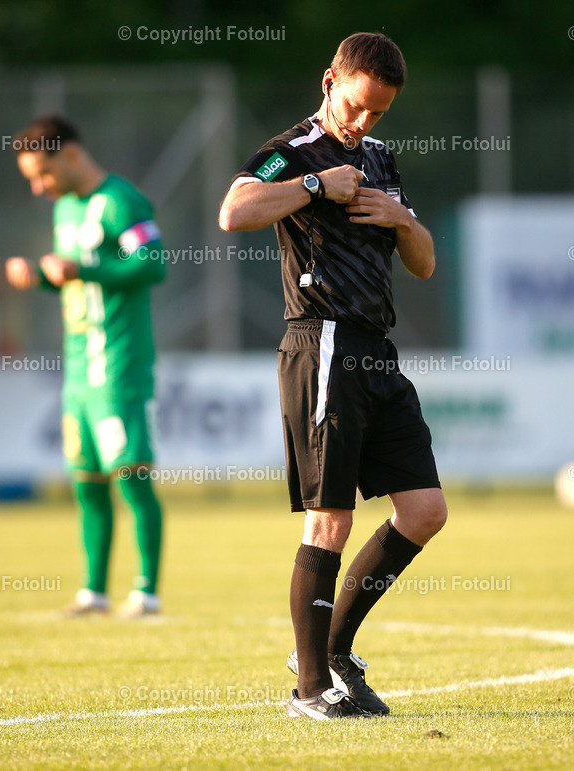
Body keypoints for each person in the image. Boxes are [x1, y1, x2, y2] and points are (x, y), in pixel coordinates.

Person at [219, 32, 448, 720]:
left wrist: (401, 218)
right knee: (332, 518)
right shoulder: (295, 150)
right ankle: (310, 689)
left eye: (379, 112)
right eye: (356, 107)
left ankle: (336, 649)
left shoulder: (380, 157)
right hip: (321, 344)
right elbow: (234, 212)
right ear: (330, 81)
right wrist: (315, 185)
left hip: (378, 351)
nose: (365, 123)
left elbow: (425, 264)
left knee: (424, 511)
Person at [5, 115, 166, 619]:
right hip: (78, 370)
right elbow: (78, 279)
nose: (38, 187)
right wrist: (40, 278)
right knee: (85, 480)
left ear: (71, 155)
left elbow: (153, 262)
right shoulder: (66, 210)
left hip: (118, 366)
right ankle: (94, 592)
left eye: (43, 174)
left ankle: (146, 592)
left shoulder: (121, 200)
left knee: (131, 477)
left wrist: (83, 269)